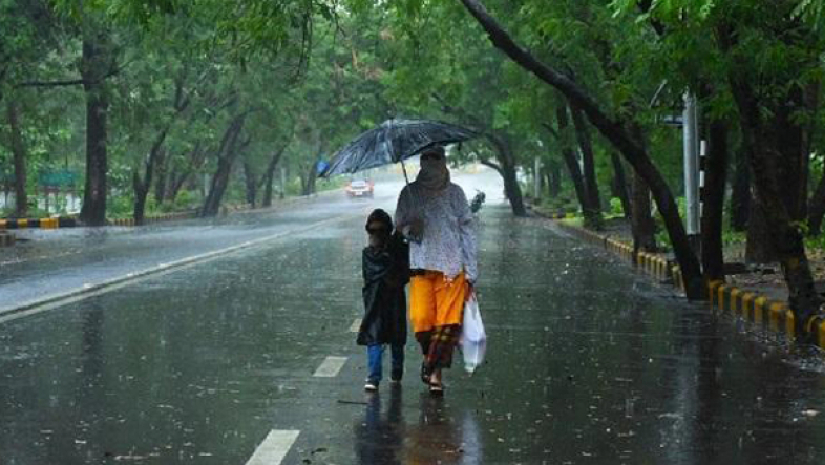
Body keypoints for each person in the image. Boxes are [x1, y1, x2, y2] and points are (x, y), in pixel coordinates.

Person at [395, 145, 478, 395]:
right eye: (426, 157)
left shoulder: (455, 193)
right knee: (422, 321)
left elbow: (467, 230)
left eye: (436, 157)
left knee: (447, 323)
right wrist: (411, 228)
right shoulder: (409, 193)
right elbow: (399, 224)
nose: (431, 162)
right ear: (420, 162)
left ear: (443, 161)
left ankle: (434, 373)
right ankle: (430, 360)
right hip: (420, 266)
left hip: (452, 269)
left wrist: (472, 271)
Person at [357, 209, 410, 392]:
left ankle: (396, 371)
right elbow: (377, 272)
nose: (376, 235)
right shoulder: (368, 254)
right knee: (375, 337)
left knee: (396, 338)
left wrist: (396, 249)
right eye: (373, 231)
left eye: (380, 230)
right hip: (375, 302)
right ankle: (373, 376)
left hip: (395, 300)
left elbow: (402, 275)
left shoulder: (399, 250)